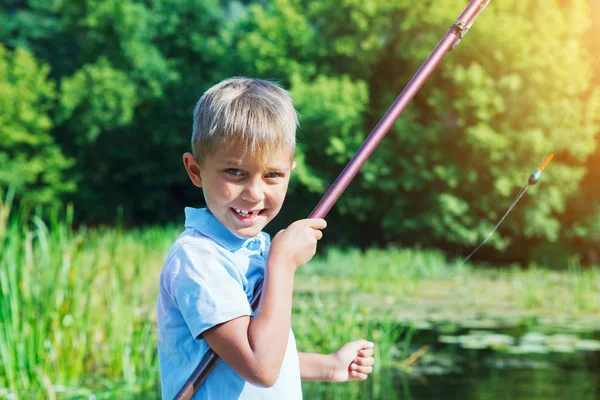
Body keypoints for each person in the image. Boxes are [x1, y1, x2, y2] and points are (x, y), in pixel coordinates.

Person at [157, 77, 375, 399]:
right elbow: (260, 367)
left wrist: (329, 366)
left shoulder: (253, 248)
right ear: (195, 170)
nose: (254, 193)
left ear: (291, 171)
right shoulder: (199, 260)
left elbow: (245, 355)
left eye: (273, 175)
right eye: (235, 172)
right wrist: (283, 264)